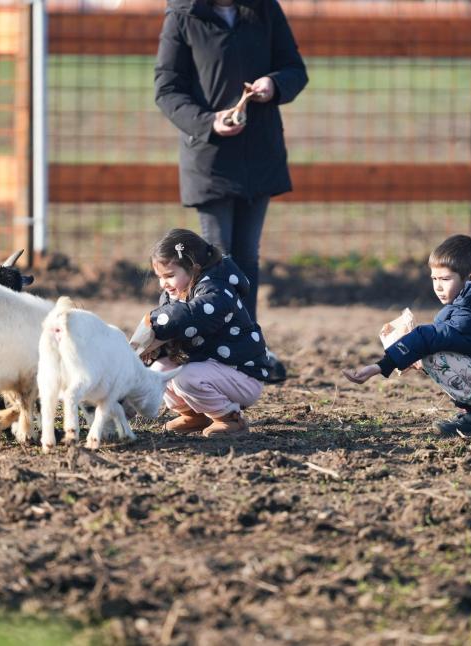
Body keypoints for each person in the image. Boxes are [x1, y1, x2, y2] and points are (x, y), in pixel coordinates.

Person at [154, 0, 308, 383]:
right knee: (214, 262)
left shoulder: (263, 9)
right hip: (210, 157)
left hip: (260, 152)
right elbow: (167, 89)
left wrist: (274, 84)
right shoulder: (183, 16)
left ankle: (249, 350)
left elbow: (294, 69)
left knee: (247, 261)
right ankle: (209, 352)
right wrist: (209, 121)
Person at [341, 235, 471, 438]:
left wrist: (382, 365)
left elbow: (432, 336)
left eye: (445, 279)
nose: (438, 287)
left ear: (469, 279)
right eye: (434, 278)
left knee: (432, 356)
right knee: (427, 353)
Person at [142, 228, 271, 437]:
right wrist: (152, 350)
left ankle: (230, 419)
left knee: (185, 378)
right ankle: (195, 415)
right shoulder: (173, 295)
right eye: (159, 277)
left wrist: (156, 327)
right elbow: (172, 325)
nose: (163, 283)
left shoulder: (218, 291)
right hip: (210, 368)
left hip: (242, 375)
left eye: (169, 275)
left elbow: (190, 316)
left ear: (193, 269)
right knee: (158, 371)